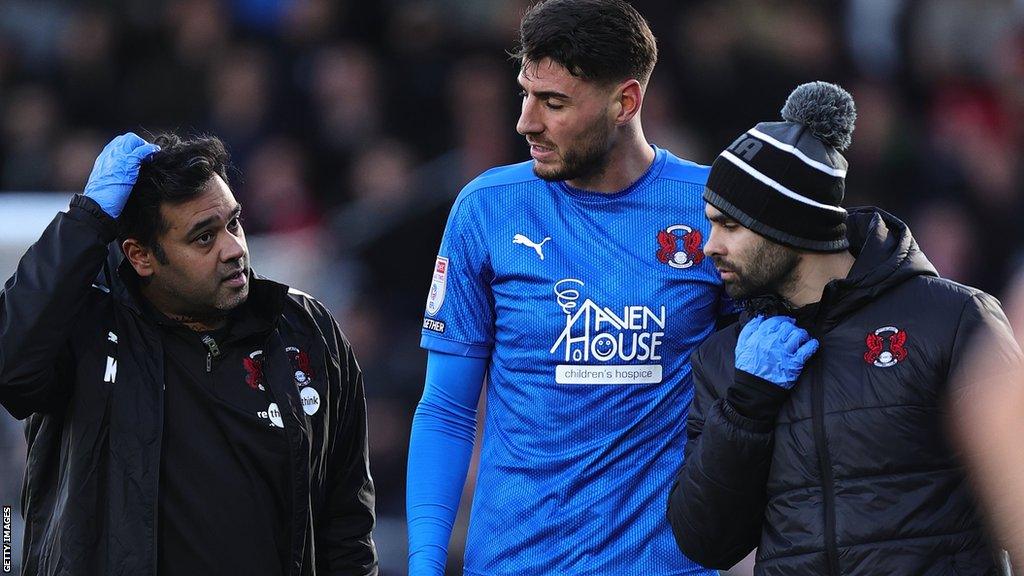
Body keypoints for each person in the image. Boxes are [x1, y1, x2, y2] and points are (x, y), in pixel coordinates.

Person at [406, 1, 727, 574]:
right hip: (513, 561)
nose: (526, 122)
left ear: (625, 101)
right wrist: (426, 562)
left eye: (553, 103)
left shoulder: (710, 210)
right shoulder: (488, 208)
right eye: (525, 94)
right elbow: (447, 410)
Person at [666, 81, 1021, 575]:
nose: (709, 247)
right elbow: (705, 541)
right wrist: (746, 408)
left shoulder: (954, 319)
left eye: (729, 226)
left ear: (788, 224)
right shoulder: (727, 358)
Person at [0, 132, 377, 575]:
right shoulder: (88, 329)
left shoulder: (307, 332)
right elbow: (12, 369)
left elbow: (347, 522)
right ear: (141, 256)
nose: (234, 249)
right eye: (204, 238)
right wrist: (88, 219)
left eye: (233, 223)